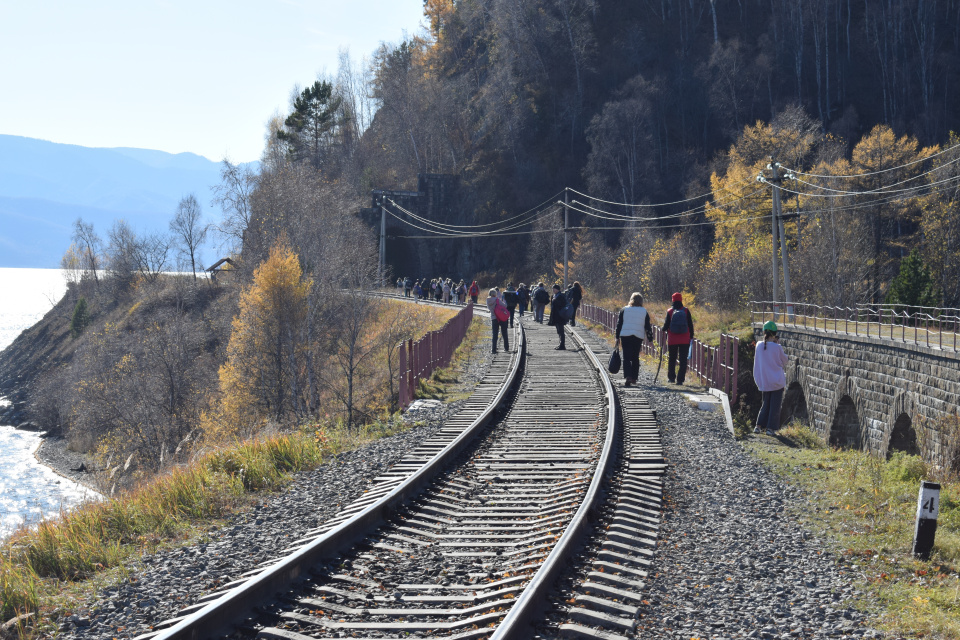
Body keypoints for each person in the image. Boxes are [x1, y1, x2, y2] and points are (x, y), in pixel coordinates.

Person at [754, 320, 789, 436]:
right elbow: (785, 361)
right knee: (775, 406)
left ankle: (758, 426)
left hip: (764, 381)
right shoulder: (777, 347)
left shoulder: (759, 345)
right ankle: (770, 428)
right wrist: (778, 344)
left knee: (765, 404)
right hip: (777, 381)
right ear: (774, 334)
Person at [615, 292, 654, 387]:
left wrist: (617, 337)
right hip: (638, 336)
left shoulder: (624, 310)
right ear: (641, 301)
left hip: (625, 336)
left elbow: (619, 324)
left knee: (626, 357)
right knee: (635, 357)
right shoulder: (644, 311)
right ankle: (634, 378)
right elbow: (647, 326)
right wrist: (650, 338)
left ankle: (628, 376)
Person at [662, 292, 694, 385]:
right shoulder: (686, 311)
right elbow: (690, 325)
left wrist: (663, 329)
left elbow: (666, 325)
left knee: (672, 358)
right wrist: (691, 336)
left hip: (672, 339)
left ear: (673, 300)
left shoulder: (670, 311)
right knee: (683, 360)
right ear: (681, 299)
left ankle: (671, 378)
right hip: (685, 339)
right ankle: (680, 380)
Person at [486, 288, 510, 354]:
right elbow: (505, 306)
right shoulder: (497, 300)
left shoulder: (488, 301)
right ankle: (506, 347)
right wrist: (504, 301)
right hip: (501, 317)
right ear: (495, 294)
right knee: (504, 332)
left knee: (495, 334)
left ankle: (493, 349)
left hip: (494, 318)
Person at [548, 284, 568, 350]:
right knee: (558, 331)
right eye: (553, 288)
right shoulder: (554, 296)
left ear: (558, 289)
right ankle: (560, 344)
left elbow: (562, 304)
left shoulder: (561, 296)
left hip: (560, 316)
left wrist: (555, 301)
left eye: (555, 289)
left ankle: (562, 345)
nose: (553, 290)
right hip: (556, 316)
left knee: (561, 331)